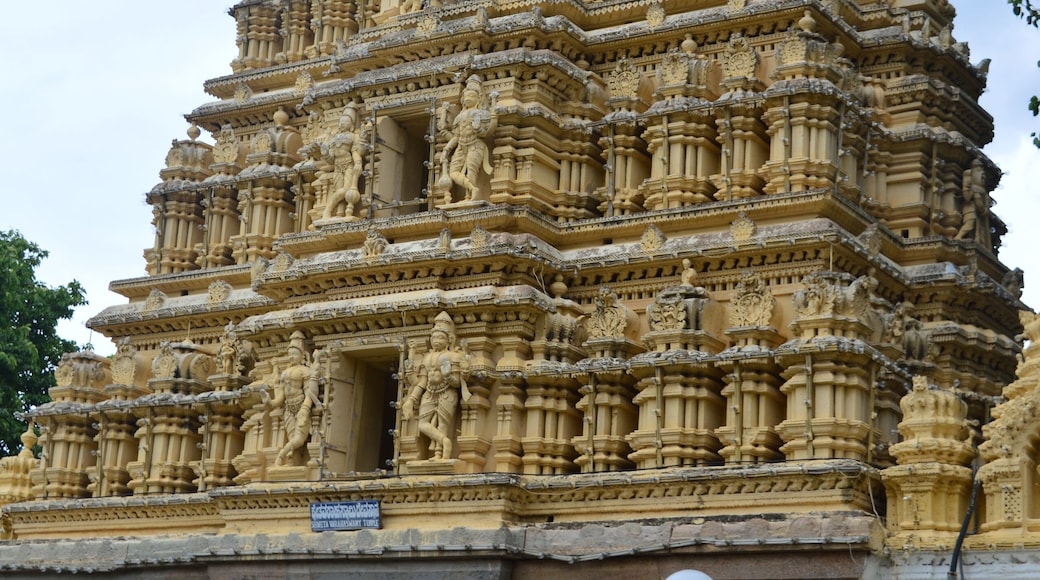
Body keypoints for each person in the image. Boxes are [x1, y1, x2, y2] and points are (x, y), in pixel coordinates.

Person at [401, 312, 469, 460]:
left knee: (443, 425)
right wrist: (411, 400)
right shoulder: (427, 358)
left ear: (449, 339)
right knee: (422, 424)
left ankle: (440, 454)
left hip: (447, 393)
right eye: (434, 337)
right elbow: (422, 382)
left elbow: (457, 382)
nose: (436, 340)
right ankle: (444, 441)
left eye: (441, 337)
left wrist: (447, 375)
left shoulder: (454, 357)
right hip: (429, 393)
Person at [440, 75, 498, 201]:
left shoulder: (482, 114)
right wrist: (446, 150)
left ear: (479, 98)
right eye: (466, 96)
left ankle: (470, 196)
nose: (467, 99)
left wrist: (478, 129)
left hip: (475, 145)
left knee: (472, 171)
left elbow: (488, 131)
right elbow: (456, 136)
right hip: (461, 146)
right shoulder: (459, 117)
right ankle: (472, 188)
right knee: (453, 173)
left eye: (471, 96)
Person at [270, 331, 323, 466]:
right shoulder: (285, 373)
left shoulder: (305, 371)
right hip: (288, 409)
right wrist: (268, 401)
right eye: (290, 354)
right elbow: (280, 398)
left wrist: (305, 409)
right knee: (293, 438)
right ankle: (290, 461)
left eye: (295, 354)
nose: (291, 357)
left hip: (301, 407)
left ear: (303, 355)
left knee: (299, 439)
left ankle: (281, 455)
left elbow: (310, 392)